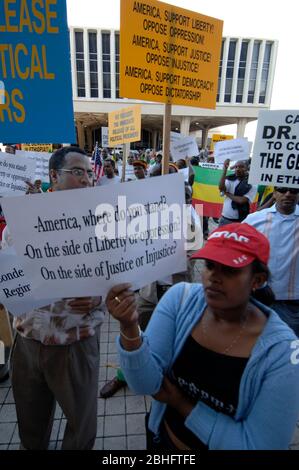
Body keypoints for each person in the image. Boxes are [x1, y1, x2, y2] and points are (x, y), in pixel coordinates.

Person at [105, 223, 299, 450]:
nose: (214, 277)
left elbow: (257, 444)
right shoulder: (180, 299)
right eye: (209, 265)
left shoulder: (283, 353)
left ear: (257, 280)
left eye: (229, 269)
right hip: (162, 442)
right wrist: (129, 327)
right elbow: (146, 384)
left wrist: (181, 403)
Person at [10, 146, 105, 450]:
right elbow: (9, 261)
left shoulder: (104, 219)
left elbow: (119, 272)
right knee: (30, 427)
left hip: (75, 342)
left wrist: (99, 297)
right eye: (78, 172)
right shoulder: (24, 215)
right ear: (54, 175)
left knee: (81, 429)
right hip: (27, 339)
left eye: (90, 173)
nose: (88, 179)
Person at [244, 186, 299, 336]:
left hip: (292, 302)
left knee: (287, 349)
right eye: (282, 190)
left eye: (293, 190)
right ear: (274, 193)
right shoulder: (255, 219)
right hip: (257, 297)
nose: (288, 194)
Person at [218, 159, 257, 226]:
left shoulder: (251, 183)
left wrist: (226, 193)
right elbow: (221, 188)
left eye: (241, 167)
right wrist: (225, 170)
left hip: (240, 221)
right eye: (236, 167)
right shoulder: (230, 178)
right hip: (224, 219)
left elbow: (241, 200)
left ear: (247, 168)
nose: (238, 169)